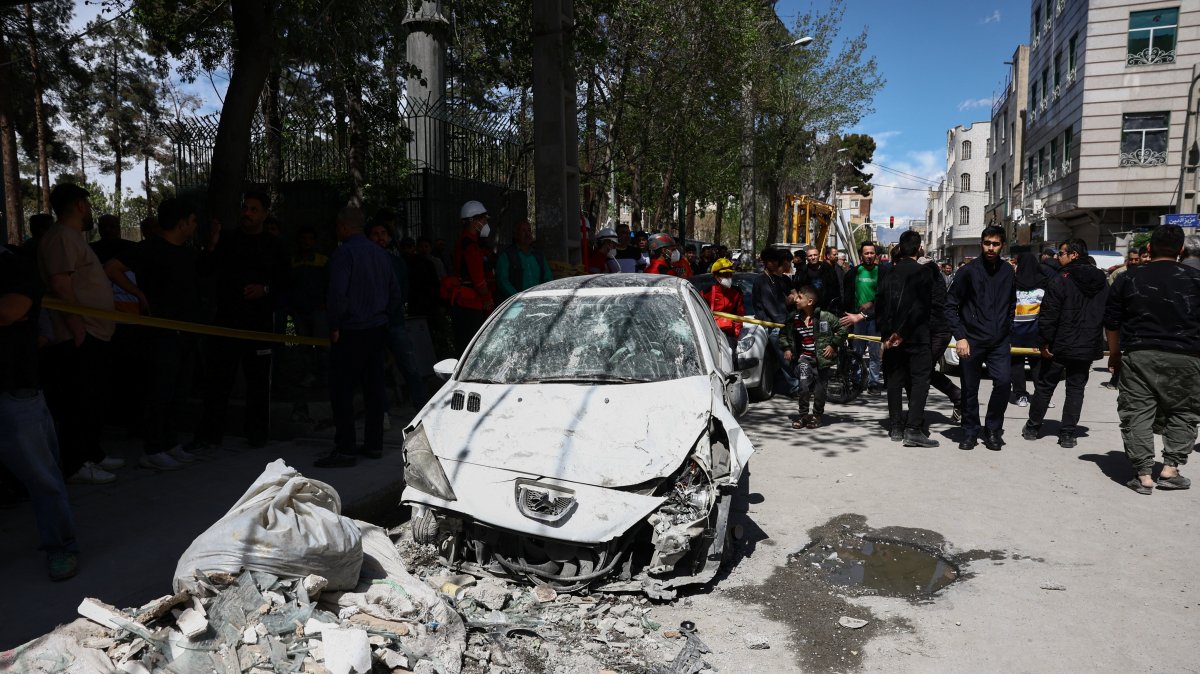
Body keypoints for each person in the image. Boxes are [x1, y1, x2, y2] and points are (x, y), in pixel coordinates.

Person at [105, 198, 207, 470]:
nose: (195, 226)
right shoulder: (149, 248)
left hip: (187, 331)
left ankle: (171, 442)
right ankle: (152, 447)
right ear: (182, 222)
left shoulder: (186, 252)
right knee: (160, 390)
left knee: (179, 390)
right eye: (193, 221)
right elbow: (112, 268)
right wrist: (138, 293)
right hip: (161, 334)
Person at [0, 242, 80, 580]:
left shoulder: (17, 267)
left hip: (15, 394)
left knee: (43, 478)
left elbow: (9, 310)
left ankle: (61, 547)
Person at [1103, 225, 1200, 494]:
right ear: (1181, 250)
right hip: (1188, 356)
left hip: (1139, 354)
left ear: (1148, 249)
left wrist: (1114, 353)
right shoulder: (1196, 279)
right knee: (1184, 412)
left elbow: (1112, 321)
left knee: (1138, 413)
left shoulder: (1128, 278)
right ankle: (1170, 470)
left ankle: (1144, 475)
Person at [38, 183, 123, 484]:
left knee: (94, 398)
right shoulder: (61, 237)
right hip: (80, 335)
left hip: (92, 333)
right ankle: (75, 463)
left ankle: (92, 452)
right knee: (78, 402)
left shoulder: (72, 237)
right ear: (79, 205)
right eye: (86, 204)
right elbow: (62, 285)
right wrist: (78, 329)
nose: (89, 210)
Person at [196, 190, 290, 449]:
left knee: (258, 383)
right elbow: (204, 270)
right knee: (218, 381)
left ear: (264, 214)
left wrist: (265, 290)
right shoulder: (226, 240)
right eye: (245, 208)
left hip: (259, 324)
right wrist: (212, 244)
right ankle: (210, 435)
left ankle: (257, 435)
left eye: (253, 209)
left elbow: (286, 282)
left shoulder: (275, 245)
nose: (247, 213)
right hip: (226, 321)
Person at [316, 206, 403, 468]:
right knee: (374, 389)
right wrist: (385, 318)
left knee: (342, 390)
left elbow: (337, 295)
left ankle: (345, 448)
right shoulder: (381, 254)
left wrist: (334, 325)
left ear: (343, 226)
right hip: (376, 330)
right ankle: (374, 444)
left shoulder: (344, 254)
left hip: (351, 331)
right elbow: (395, 294)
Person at [1021, 239, 1108, 448]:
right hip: (1086, 344)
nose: (1058, 257)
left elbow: (1049, 314)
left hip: (1060, 343)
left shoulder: (1060, 279)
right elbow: (1109, 311)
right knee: (1076, 388)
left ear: (1074, 255)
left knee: (1045, 386)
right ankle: (1068, 433)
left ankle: (1033, 427)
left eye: (1061, 253)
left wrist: (1045, 342)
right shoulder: (1102, 280)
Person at [946, 225, 1015, 451]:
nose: (991, 248)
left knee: (1004, 382)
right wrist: (961, 337)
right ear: (981, 244)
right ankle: (970, 431)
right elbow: (950, 306)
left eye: (995, 244)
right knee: (969, 389)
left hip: (999, 341)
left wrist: (1007, 328)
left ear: (1002, 245)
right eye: (987, 243)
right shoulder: (968, 271)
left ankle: (993, 429)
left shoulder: (1007, 272)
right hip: (972, 340)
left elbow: (1011, 304)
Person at [875, 231, 940, 447]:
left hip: (892, 339)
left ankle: (895, 426)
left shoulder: (887, 274)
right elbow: (921, 309)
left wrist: (887, 335)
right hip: (916, 337)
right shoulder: (924, 273)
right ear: (919, 248)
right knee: (920, 381)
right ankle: (912, 429)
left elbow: (880, 306)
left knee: (894, 380)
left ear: (901, 249)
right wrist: (901, 333)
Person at [366, 220, 427, 413]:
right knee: (374, 369)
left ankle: (422, 407)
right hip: (371, 323)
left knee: (409, 365)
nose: (380, 237)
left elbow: (402, 292)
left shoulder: (397, 263)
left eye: (383, 233)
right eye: (375, 234)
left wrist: (390, 311)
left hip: (394, 321)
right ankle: (381, 411)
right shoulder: (364, 262)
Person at [780, 285, 847, 429]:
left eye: (799, 297)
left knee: (820, 390)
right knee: (803, 386)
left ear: (809, 302)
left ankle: (817, 415)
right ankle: (803, 415)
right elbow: (784, 333)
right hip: (804, 359)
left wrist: (833, 345)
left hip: (821, 360)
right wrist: (786, 348)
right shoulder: (794, 318)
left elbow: (842, 329)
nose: (795, 300)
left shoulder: (825, 316)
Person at [838, 240, 888, 395]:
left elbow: (885, 295)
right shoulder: (854, 272)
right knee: (857, 352)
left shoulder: (882, 272)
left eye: (872, 253)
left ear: (876, 255)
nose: (869, 256)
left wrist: (871, 304)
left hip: (874, 320)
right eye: (866, 253)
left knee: (874, 353)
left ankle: (873, 383)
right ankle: (856, 381)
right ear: (861, 255)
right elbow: (846, 295)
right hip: (856, 320)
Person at [446, 200, 495, 355]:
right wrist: (487, 298)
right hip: (470, 302)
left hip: (467, 301)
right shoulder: (470, 246)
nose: (486, 222)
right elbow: (478, 278)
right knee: (471, 345)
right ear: (474, 220)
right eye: (483, 218)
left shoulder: (469, 242)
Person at [753, 247, 799, 396]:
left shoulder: (777, 280)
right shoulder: (761, 281)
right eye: (772, 261)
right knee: (785, 357)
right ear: (766, 262)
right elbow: (765, 305)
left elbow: (786, 299)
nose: (775, 264)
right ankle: (795, 386)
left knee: (790, 356)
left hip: (784, 323)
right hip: (773, 326)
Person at [288, 225, 330, 386]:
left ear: (314, 241)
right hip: (300, 311)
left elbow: (330, 284)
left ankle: (324, 375)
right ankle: (309, 374)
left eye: (309, 238)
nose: (306, 242)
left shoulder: (323, 261)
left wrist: (325, 304)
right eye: (303, 238)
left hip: (319, 309)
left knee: (323, 346)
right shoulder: (293, 262)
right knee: (304, 346)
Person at [1010, 252, 1051, 407]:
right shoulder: (1043, 283)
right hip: (1034, 331)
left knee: (1018, 364)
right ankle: (1036, 395)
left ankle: (1024, 395)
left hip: (1018, 331)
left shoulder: (1014, 282)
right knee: (1036, 365)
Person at [496, 219, 554, 300]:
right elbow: (503, 281)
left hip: (538, 300)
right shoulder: (507, 256)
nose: (527, 234)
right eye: (523, 231)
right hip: (516, 303)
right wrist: (518, 298)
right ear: (516, 234)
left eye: (529, 230)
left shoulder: (539, 256)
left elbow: (548, 278)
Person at [700, 258, 744, 357]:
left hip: (729, 333)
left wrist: (735, 334)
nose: (728, 278)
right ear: (716, 277)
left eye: (730, 275)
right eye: (725, 275)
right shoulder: (707, 293)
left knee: (731, 356)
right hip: (710, 332)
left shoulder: (737, 292)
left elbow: (739, 315)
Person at [795, 245, 840, 313]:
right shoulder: (802, 271)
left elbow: (836, 288)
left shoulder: (828, 269)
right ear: (807, 258)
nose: (813, 257)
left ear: (819, 256)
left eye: (815, 255)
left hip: (826, 308)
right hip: (809, 309)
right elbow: (798, 288)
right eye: (810, 256)